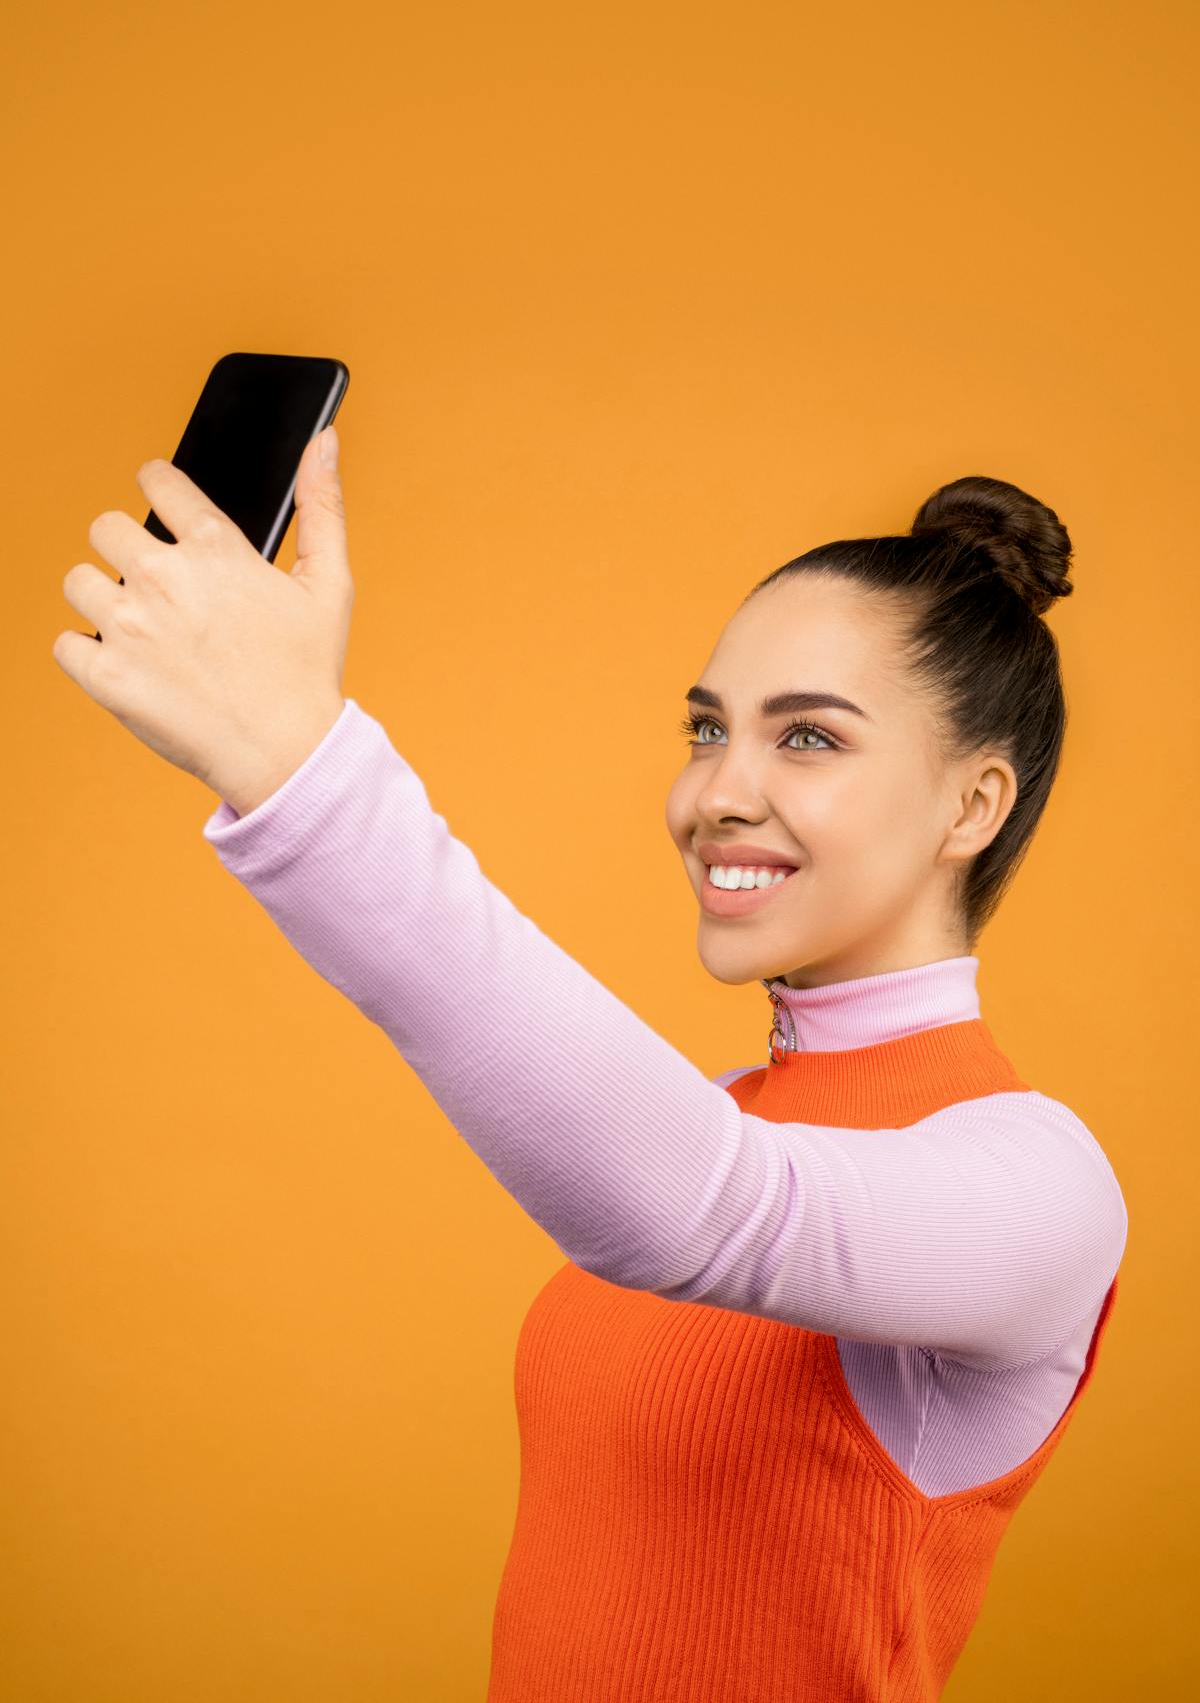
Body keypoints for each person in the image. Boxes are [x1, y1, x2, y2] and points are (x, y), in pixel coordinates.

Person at [199, 471, 1127, 1702]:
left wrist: (297, 766)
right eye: (708, 728)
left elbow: (704, 1210)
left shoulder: (1041, 1184)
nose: (717, 794)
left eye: (807, 735)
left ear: (974, 803)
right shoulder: (725, 1105)